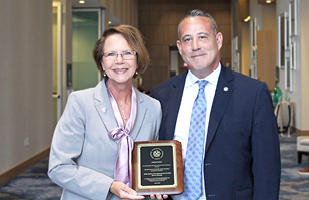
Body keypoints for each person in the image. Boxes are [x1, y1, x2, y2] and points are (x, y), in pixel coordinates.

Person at [151, 10, 281, 199]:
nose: (195, 46)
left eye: (202, 37)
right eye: (187, 40)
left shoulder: (253, 93)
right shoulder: (161, 95)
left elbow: (267, 168)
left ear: (218, 40)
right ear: (180, 47)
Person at [48, 25, 162, 200]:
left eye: (127, 53)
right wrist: (109, 186)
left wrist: (158, 183)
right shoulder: (80, 103)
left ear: (138, 60)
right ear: (101, 63)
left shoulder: (153, 107)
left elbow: (152, 164)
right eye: (111, 54)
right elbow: (59, 167)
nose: (119, 60)